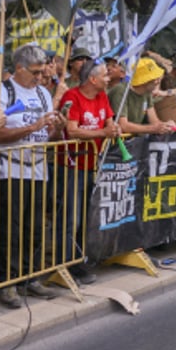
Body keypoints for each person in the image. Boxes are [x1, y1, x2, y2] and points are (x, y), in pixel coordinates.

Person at [0, 45, 65, 308]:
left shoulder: (43, 93)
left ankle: (29, 276)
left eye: (43, 72)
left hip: (39, 168)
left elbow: (47, 135)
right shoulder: (1, 93)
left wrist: (56, 129)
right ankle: (7, 283)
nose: (41, 77)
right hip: (11, 168)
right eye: (35, 72)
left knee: (34, 227)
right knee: (11, 228)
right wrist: (33, 126)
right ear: (18, 68)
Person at [58, 59, 120, 285]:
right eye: (105, 75)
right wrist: (103, 132)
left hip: (95, 165)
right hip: (73, 165)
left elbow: (110, 123)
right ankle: (64, 263)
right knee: (70, 219)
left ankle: (80, 261)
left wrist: (113, 129)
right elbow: (72, 130)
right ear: (92, 79)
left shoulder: (103, 96)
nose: (109, 78)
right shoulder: (72, 97)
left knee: (87, 216)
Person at [107, 58, 176, 136]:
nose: (158, 81)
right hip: (118, 142)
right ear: (144, 81)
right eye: (154, 79)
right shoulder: (121, 91)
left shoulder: (147, 92)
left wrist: (165, 126)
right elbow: (123, 125)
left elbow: (154, 121)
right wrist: (153, 129)